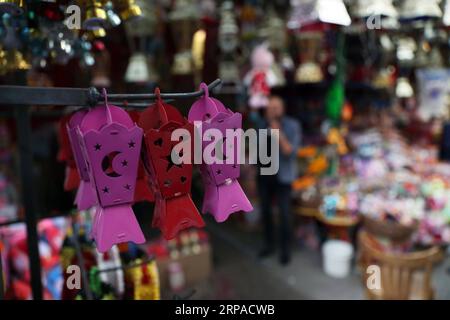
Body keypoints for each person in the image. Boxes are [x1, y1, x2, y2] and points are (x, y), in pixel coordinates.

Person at [254, 95, 301, 265]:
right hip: (264, 176)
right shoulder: (260, 125)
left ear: (283, 109)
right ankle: (268, 245)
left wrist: (278, 133)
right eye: (270, 108)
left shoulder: (292, 126)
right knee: (265, 212)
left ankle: (285, 250)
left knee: (284, 214)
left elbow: (291, 152)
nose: (273, 111)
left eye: (276, 107)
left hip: (283, 177)